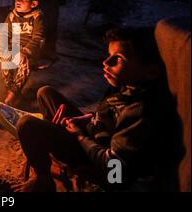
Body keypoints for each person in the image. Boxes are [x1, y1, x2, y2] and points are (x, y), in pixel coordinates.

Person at [13, 27, 183, 191]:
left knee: (27, 124)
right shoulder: (130, 85)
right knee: (45, 92)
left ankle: (44, 179)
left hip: (99, 161)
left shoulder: (141, 111)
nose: (106, 62)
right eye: (109, 55)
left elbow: (114, 167)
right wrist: (87, 118)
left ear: (151, 71)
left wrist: (78, 136)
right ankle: (52, 142)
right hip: (97, 134)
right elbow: (110, 113)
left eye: (119, 59)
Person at [0, 0, 45, 105]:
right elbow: (4, 34)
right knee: (5, 60)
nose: (18, 1)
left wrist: (25, 52)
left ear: (33, 4)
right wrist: (1, 49)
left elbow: (37, 38)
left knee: (23, 62)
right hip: (14, 48)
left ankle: (13, 94)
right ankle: (11, 90)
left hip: (30, 50)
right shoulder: (12, 15)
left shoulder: (36, 17)